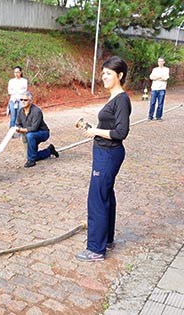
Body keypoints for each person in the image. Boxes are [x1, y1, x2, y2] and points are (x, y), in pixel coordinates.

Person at [75, 56, 132, 262]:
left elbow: (121, 132)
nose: (104, 77)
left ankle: (96, 249)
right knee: (106, 194)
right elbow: (111, 127)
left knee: (97, 199)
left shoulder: (122, 99)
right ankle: (106, 239)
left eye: (108, 73)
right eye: (103, 73)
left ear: (120, 75)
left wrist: (96, 131)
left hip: (109, 153)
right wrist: (95, 130)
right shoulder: (114, 98)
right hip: (104, 152)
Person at [15, 91, 59, 168]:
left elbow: (34, 128)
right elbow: (18, 123)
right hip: (30, 133)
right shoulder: (20, 111)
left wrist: (22, 130)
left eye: (25, 100)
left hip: (42, 132)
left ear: (30, 101)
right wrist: (18, 128)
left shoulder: (37, 111)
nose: (23, 102)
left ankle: (31, 161)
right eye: (21, 100)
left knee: (30, 136)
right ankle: (49, 151)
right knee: (32, 154)